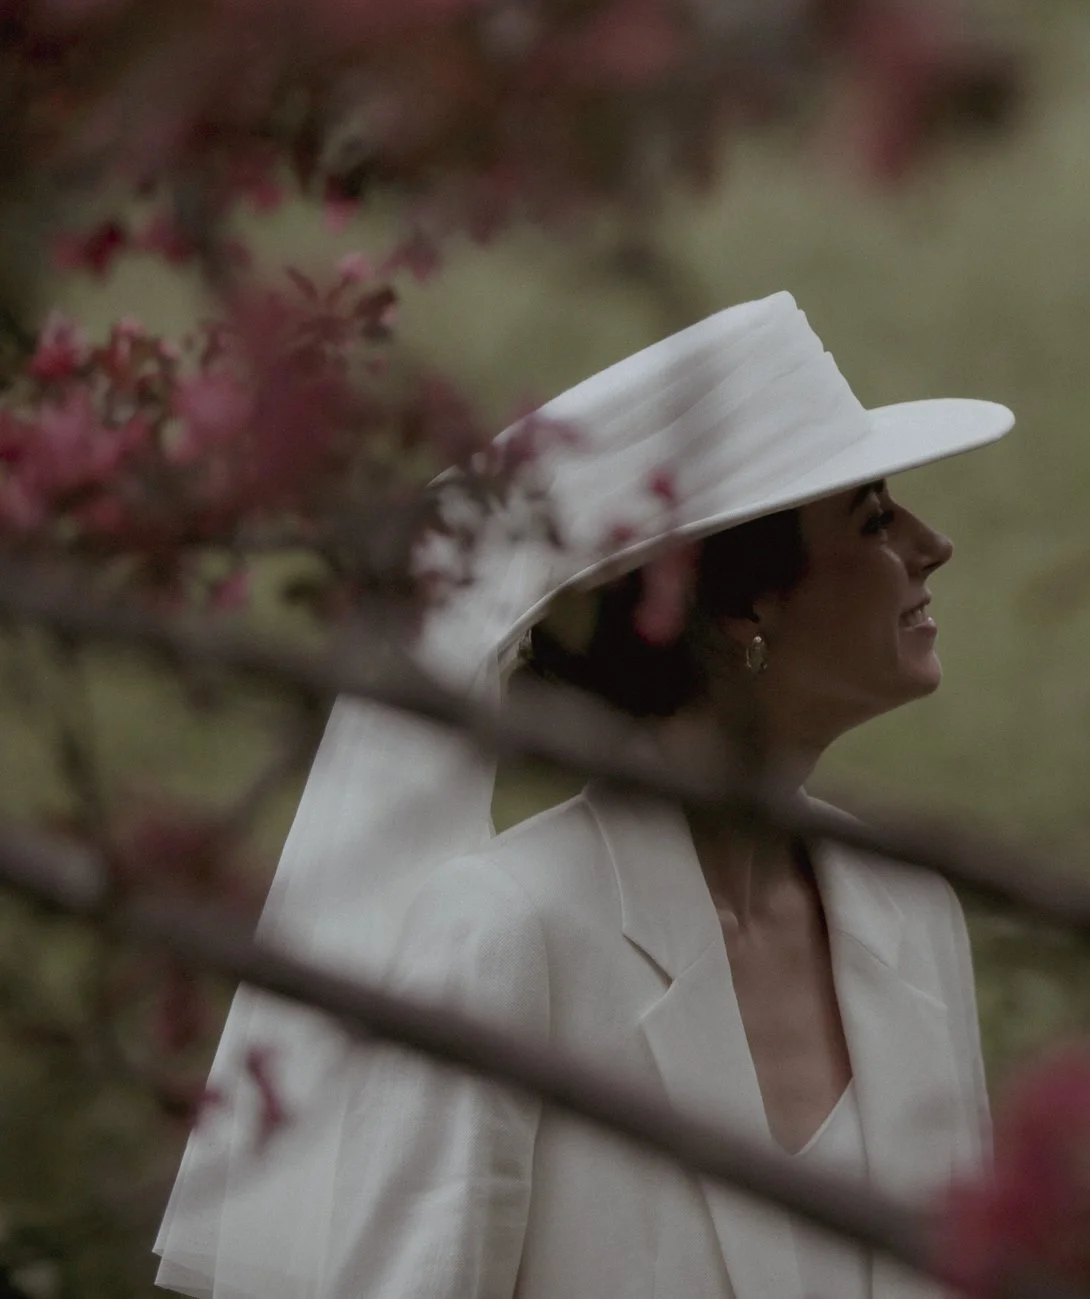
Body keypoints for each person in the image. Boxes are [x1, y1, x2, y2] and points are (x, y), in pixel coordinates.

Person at [154, 293, 1010, 1299]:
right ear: (741, 607)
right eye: (872, 514)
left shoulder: (911, 907)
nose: (930, 540)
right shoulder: (510, 934)